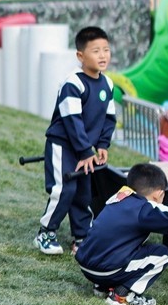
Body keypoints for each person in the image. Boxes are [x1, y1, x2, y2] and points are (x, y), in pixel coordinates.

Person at [77, 163, 168, 305]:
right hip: (107, 269)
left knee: (121, 244)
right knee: (161, 254)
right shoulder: (144, 209)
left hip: (86, 265)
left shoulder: (119, 197)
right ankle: (121, 296)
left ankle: (101, 287)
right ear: (158, 194)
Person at [34, 26, 116, 256]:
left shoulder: (107, 84)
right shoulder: (73, 83)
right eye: (96, 50)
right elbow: (72, 120)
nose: (102, 55)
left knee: (83, 193)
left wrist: (101, 145)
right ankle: (45, 233)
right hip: (64, 146)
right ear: (80, 56)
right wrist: (84, 150)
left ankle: (81, 236)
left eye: (106, 50)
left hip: (85, 150)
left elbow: (109, 118)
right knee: (64, 190)